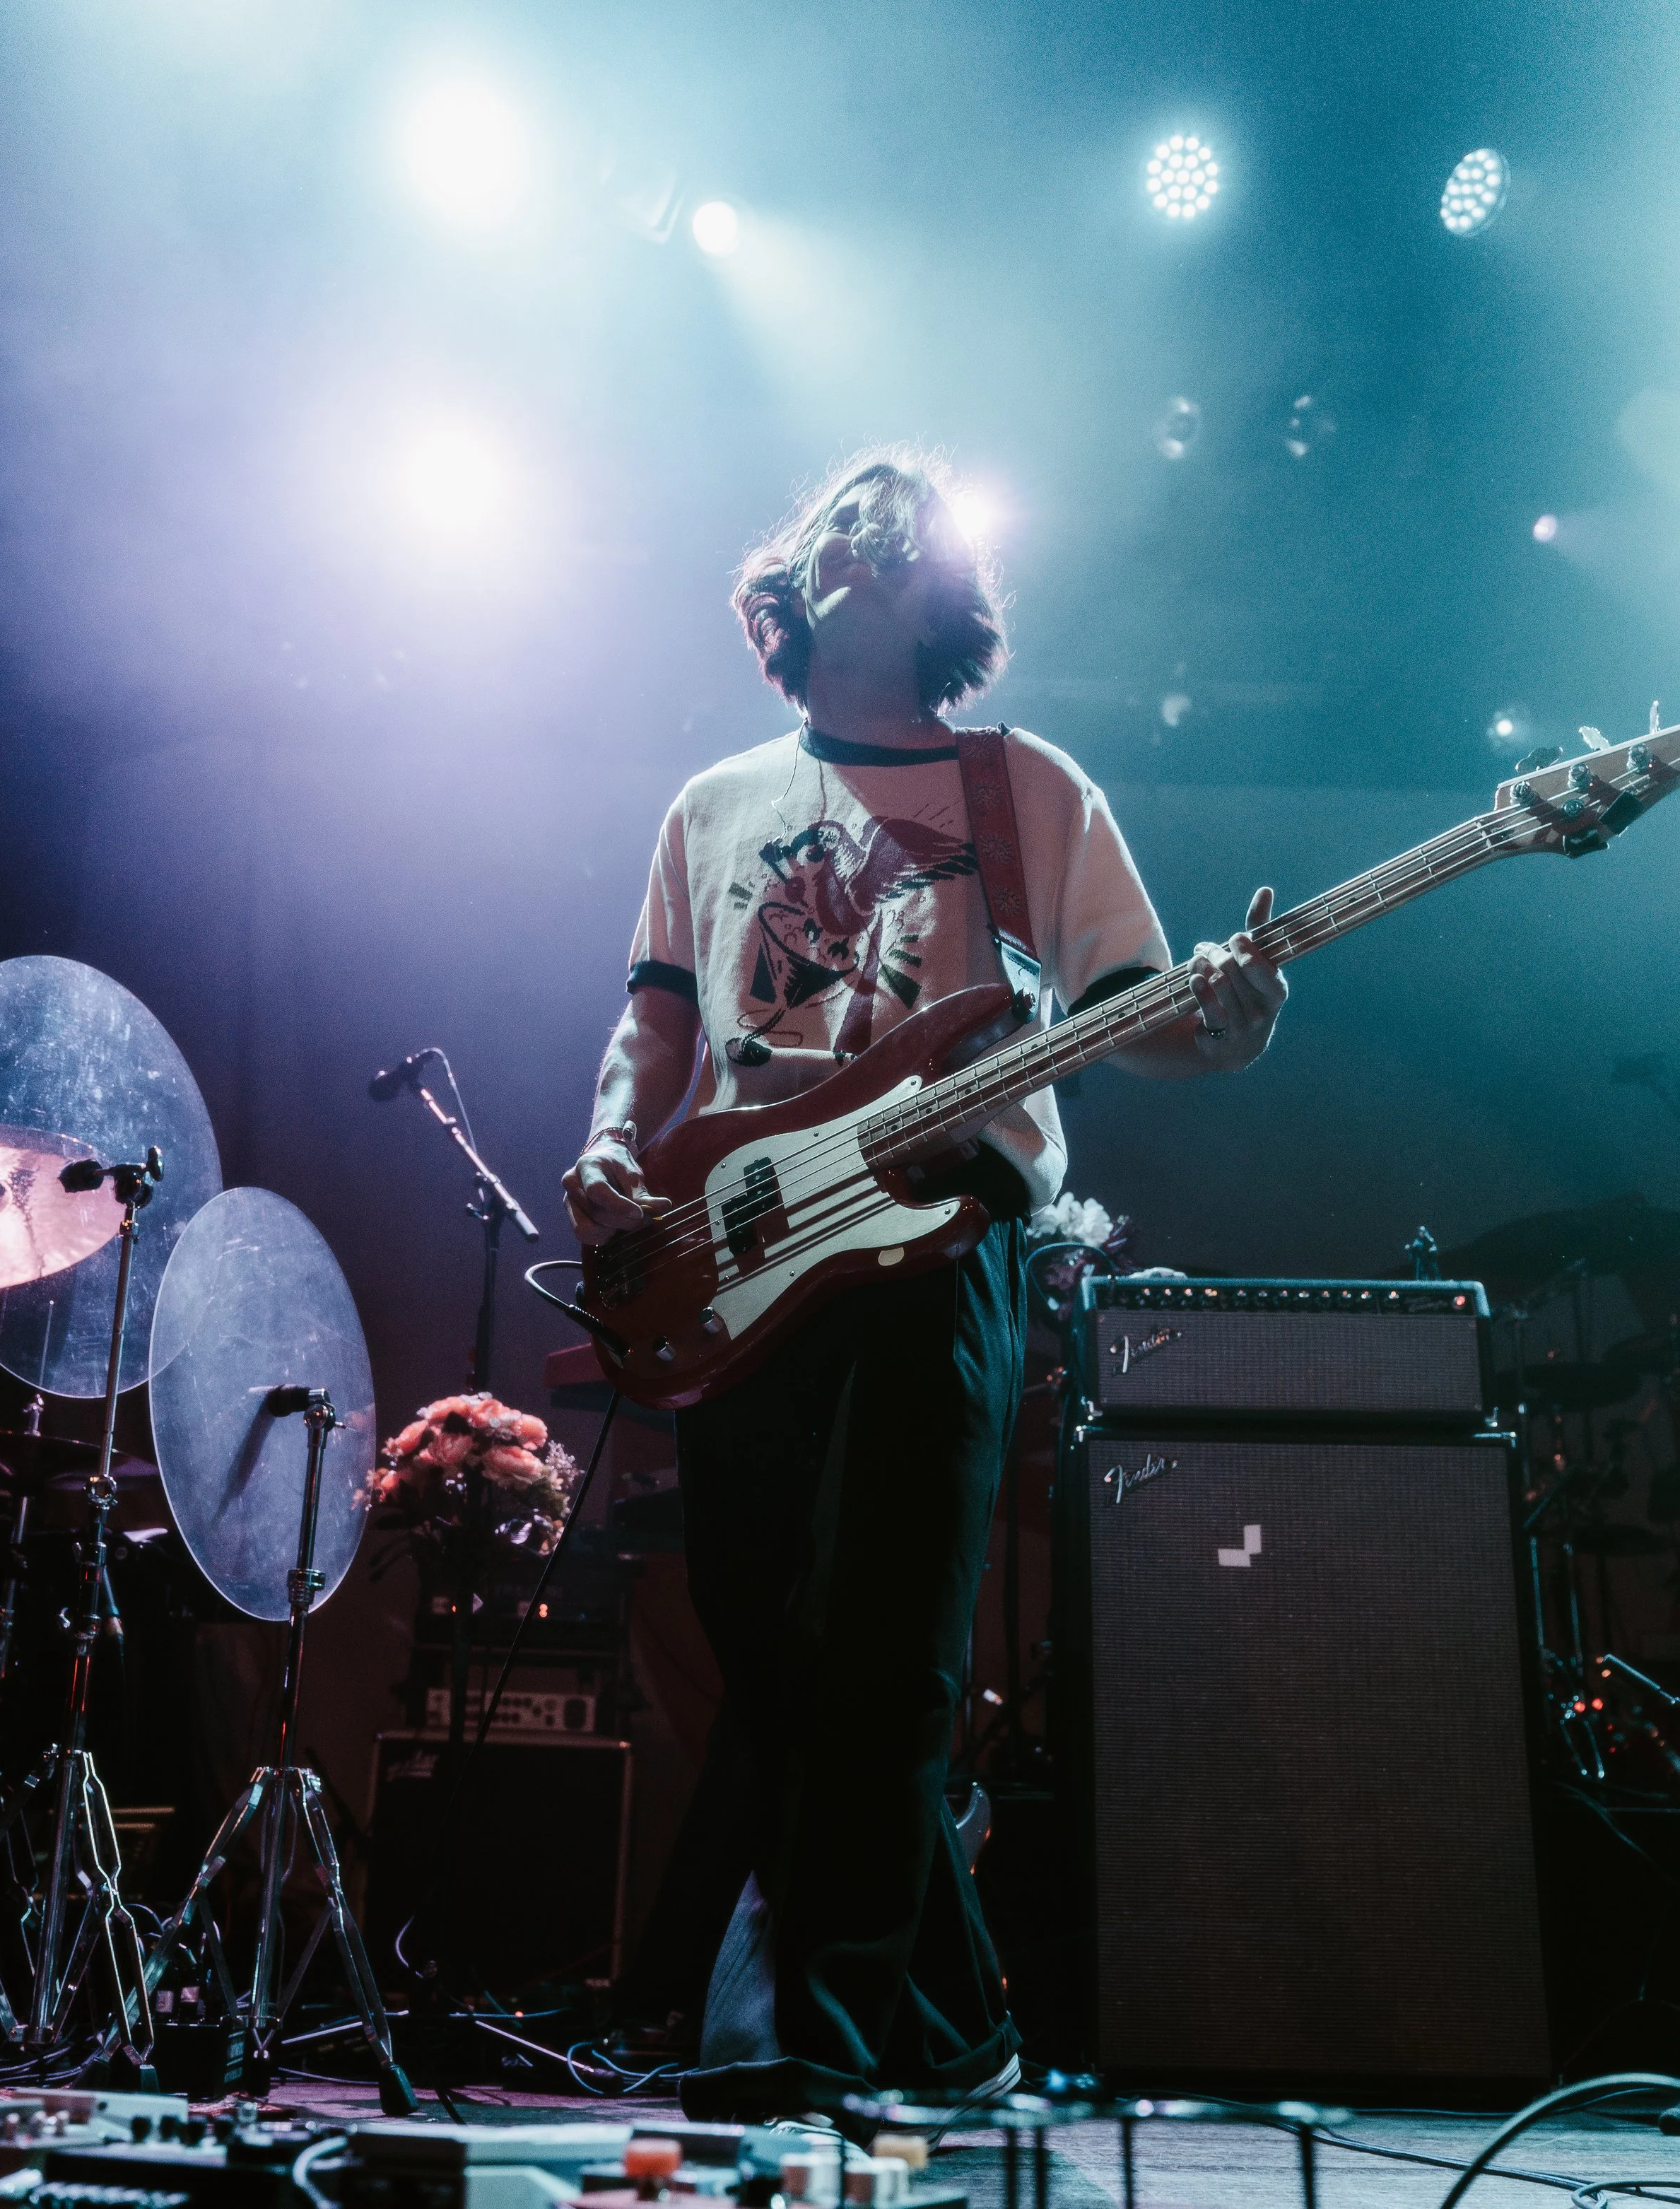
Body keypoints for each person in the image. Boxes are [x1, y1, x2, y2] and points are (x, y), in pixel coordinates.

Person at [563, 448, 1287, 2124]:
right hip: (738, 1236)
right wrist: (613, 1143)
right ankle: (954, 2018)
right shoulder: (717, 798)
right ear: (793, 582)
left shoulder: (1024, 787)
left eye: (891, 539)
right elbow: (654, 1018)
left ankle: (798, 2036)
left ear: (935, 593)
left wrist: (1233, 1015)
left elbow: (1145, 1010)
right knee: (765, 1631)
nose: (856, 545)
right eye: (835, 527)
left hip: (939, 1231)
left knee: (887, 1633)